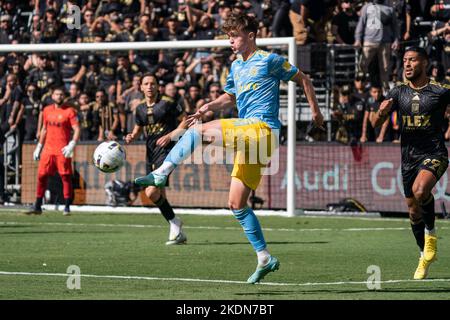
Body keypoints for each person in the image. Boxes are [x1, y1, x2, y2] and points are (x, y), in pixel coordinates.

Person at [134, 13, 324, 283]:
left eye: (234, 36)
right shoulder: (236, 66)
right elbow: (230, 97)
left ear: (250, 35)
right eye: (228, 37)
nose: (230, 41)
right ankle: (264, 258)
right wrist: (209, 106)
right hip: (250, 137)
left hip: (262, 129)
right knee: (236, 203)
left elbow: (304, 79)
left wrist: (315, 112)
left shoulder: (269, 60)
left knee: (197, 132)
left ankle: (161, 173)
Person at [370, 47, 450, 280]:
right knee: (413, 211)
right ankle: (423, 255)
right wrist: (381, 113)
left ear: (424, 63)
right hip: (408, 158)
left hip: (434, 152)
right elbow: (375, 123)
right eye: (404, 60)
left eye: (412, 60)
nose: (406, 64)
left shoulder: (440, 90)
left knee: (420, 189)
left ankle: (431, 236)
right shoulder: (398, 92)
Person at [125, 74, 188, 245]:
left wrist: (170, 135)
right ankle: (176, 230)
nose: (150, 86)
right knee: (159, 193)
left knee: (151, 192)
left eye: (153, 83)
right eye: (146, 84)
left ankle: (174, 222)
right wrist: (132, 135)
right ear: (141, 87)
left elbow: (186, 120)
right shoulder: (140, 108)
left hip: (167, 150)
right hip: (151, 151)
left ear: (158, 86)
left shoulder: (167, 102)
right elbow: (139, 128)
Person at [27, 87, 80, 215]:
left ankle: (67, 206)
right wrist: (39, 147)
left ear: (64, 96)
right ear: (52, 96)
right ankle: (38, 205)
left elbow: (77, 129)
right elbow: (44, 129)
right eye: (57, 94)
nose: (59, 96)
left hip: (62, 150)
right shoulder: (46, 110)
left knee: (66, 176)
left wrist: (71, 144)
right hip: (48, 150)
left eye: (61, 94)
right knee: (41, 176)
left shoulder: (70, 111)